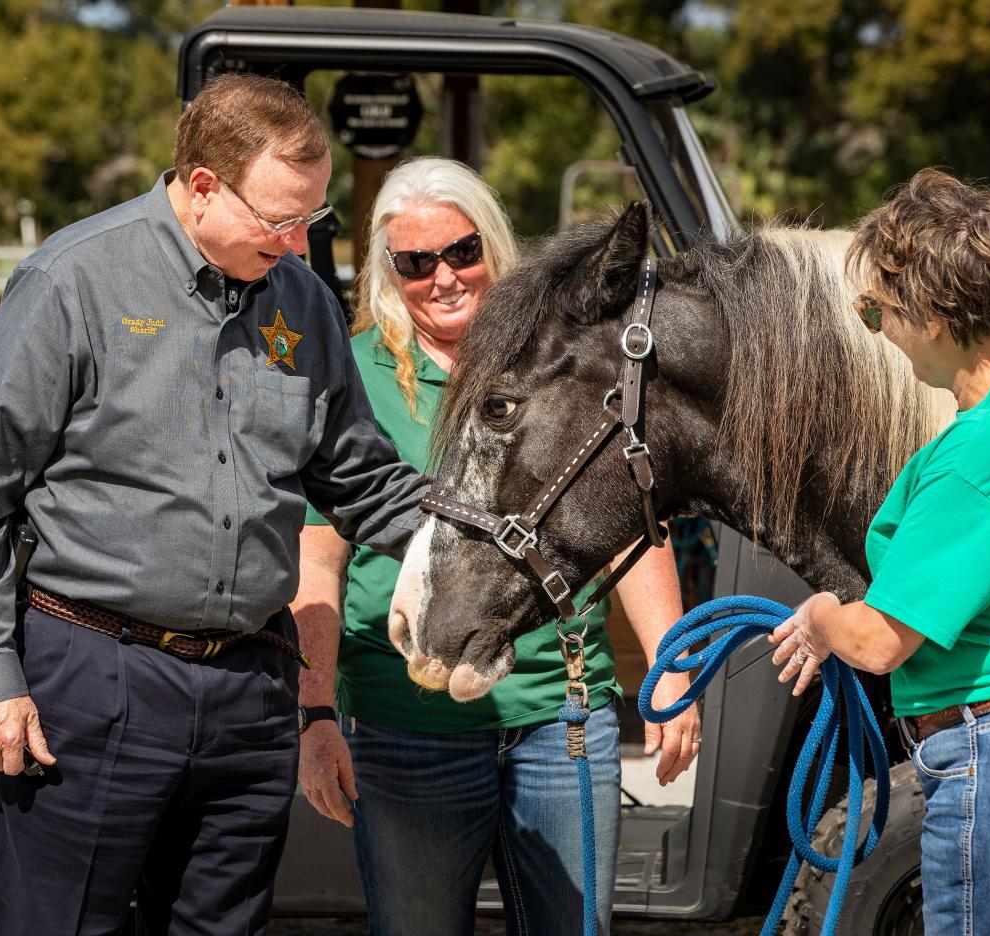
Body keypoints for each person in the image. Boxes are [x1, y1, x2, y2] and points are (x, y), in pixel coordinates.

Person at [0, 74, 426, 936]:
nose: (300, 243)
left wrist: (486, 538)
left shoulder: (301, 301)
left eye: (314, 219)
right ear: (201, 186)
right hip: (92, 676)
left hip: (248, 690)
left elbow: (360, 478)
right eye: (279, 220)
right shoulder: (73, 281)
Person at [291, 157, 700, 936]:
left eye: (462, 252)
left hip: (561, 718)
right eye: (415, 263)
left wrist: (671, 662)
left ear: (493, 246)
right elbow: (318, 555)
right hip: (409, 722)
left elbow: (629, 528)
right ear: (388, 270)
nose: (443, 277)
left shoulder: (559, 356)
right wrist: (314, 713)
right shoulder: (355, 376)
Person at [769, 168, 990, 934]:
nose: (879, 332)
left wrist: (824, 617)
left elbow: (883, 640)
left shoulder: (980, 455)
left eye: (877, 311)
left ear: (931, 314)